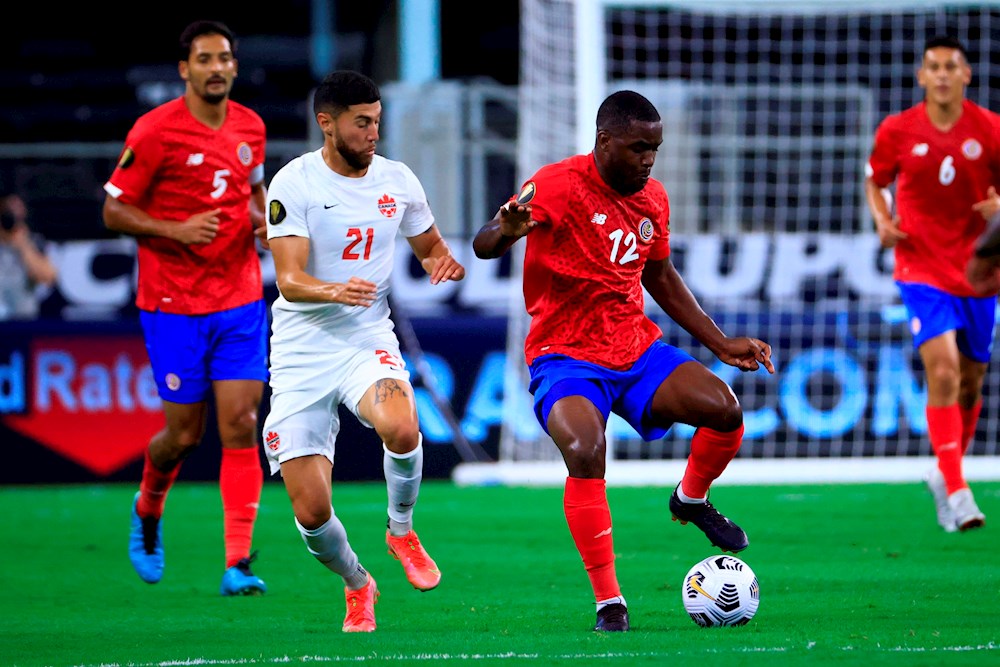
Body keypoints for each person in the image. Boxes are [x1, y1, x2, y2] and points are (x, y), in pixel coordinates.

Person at [472, 90, 775, 633]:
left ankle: (690, 499)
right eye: (638, 148)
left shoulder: (652, 198)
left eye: (654, 149)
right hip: (564, 357)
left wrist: (721, 342)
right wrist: (505, 231)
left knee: (725, 410)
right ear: (605, 141)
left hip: (634, 349)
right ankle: (609, 601)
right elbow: (485, 242)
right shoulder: (558, 184)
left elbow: (660, 276)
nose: (648, 160)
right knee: (586, 450)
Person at [261, 70, 465, 633]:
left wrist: (440, 262)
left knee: (402, 426)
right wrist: (335, 289)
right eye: (362, 122)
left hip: (365, 339)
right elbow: (289, 280)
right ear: (326, 123)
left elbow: (429, 245)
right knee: (311, 510)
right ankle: (358, 584)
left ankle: (400, 532)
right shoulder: (294, 184)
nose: (374, 132)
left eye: (377, 120)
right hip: (302, 351)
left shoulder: (398, 180)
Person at [103, 20, 270, 595]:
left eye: (225, 58)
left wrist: (267, 225)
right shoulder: (154, 133)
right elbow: (114, 211)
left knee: (243, 424)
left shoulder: (251, 127)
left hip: (241, 298)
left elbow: (252, 194)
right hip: (173, 304)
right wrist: (175, 229)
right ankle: (149, 510)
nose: (217, 68)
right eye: (205, 59)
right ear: (185, 69)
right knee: (182, 436)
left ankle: (238, 563)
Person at [865, 35, 999, 534]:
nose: (942, 74)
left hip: (979, 271)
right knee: (941, 371)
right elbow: (875, 180)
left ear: (966, 75)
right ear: (922, 77)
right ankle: (959, 488)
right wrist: (882, 219)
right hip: (920, 268)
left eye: (951, 66)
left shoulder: (991, 130)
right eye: (933, 67)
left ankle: (943, 471)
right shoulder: (898, 129)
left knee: (970, 382)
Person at [0, 192, 58, 320]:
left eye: (17, 209)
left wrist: (24, 247)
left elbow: (48, 277)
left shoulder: (34, 241)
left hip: (22, 320)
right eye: (8, 210)